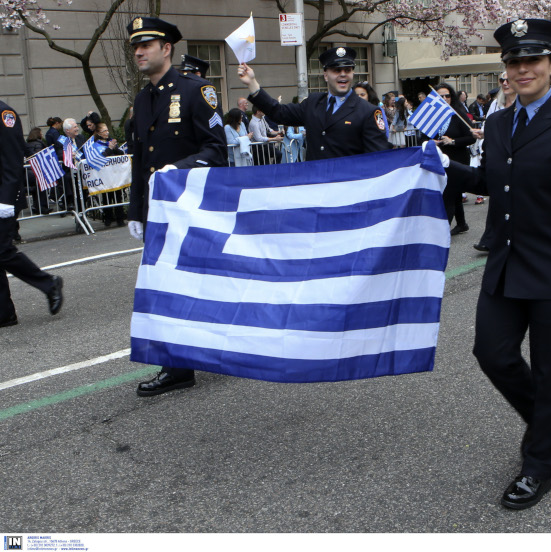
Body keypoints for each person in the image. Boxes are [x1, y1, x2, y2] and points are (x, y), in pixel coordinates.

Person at [442, 18, 551, 510]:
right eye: (514, 62)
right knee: (491, 353)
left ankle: (540, 463)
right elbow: (491, 180)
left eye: (532, 61)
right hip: (505, 262)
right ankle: (545, 422)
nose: (523, 70)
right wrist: (446, 169)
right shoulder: (498, 122)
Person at [126, 16, 227, 397]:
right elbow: (140, 157)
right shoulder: (143, 98)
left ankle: (225, 345)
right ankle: (178, 366)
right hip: (159, 213)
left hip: (192, 209)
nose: (138, 51)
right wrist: (136, 210)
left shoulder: (195, 91)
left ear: (166, 49)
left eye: (146, 45)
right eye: (135, 46)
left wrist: (179, 169)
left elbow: (217, 150)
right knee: (167, 288)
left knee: (204, 285)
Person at [237, 47, 391, 161]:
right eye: (336, 70)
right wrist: (252, 83)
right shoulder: (313, 102)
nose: (343, 74)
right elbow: (279, 112)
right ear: (325, 75)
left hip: (349, 192)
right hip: (315, 187)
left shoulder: (368, 111)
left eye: (347, 70)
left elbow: (378, 158)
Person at [1, 100, 64, 328]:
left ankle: (49, 283)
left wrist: (6, 201)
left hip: (4, 197)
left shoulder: (4, 113)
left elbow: (11, 158)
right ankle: (4, 313)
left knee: (3, 250)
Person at [472, 71, 516, 252]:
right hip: (496, 155)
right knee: (497, 200)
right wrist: (482, 133)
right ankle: (490, 238)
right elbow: (488, 126)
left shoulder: (525, 104)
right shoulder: (496, 105)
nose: (505, 83)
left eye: (508, 79)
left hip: (515, 157)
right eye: (502, 80)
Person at [434, 82, 475, 235]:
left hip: (458, 159)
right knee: (454, 193)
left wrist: (453, 141)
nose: (444, 99)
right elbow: (422, 137)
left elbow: (471, 138)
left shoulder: (458, 115)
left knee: (449, 193)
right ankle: (462, 223)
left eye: (447, 96)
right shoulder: (431, 117)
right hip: (440, 158)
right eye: (440, 96)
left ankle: (443, 229)